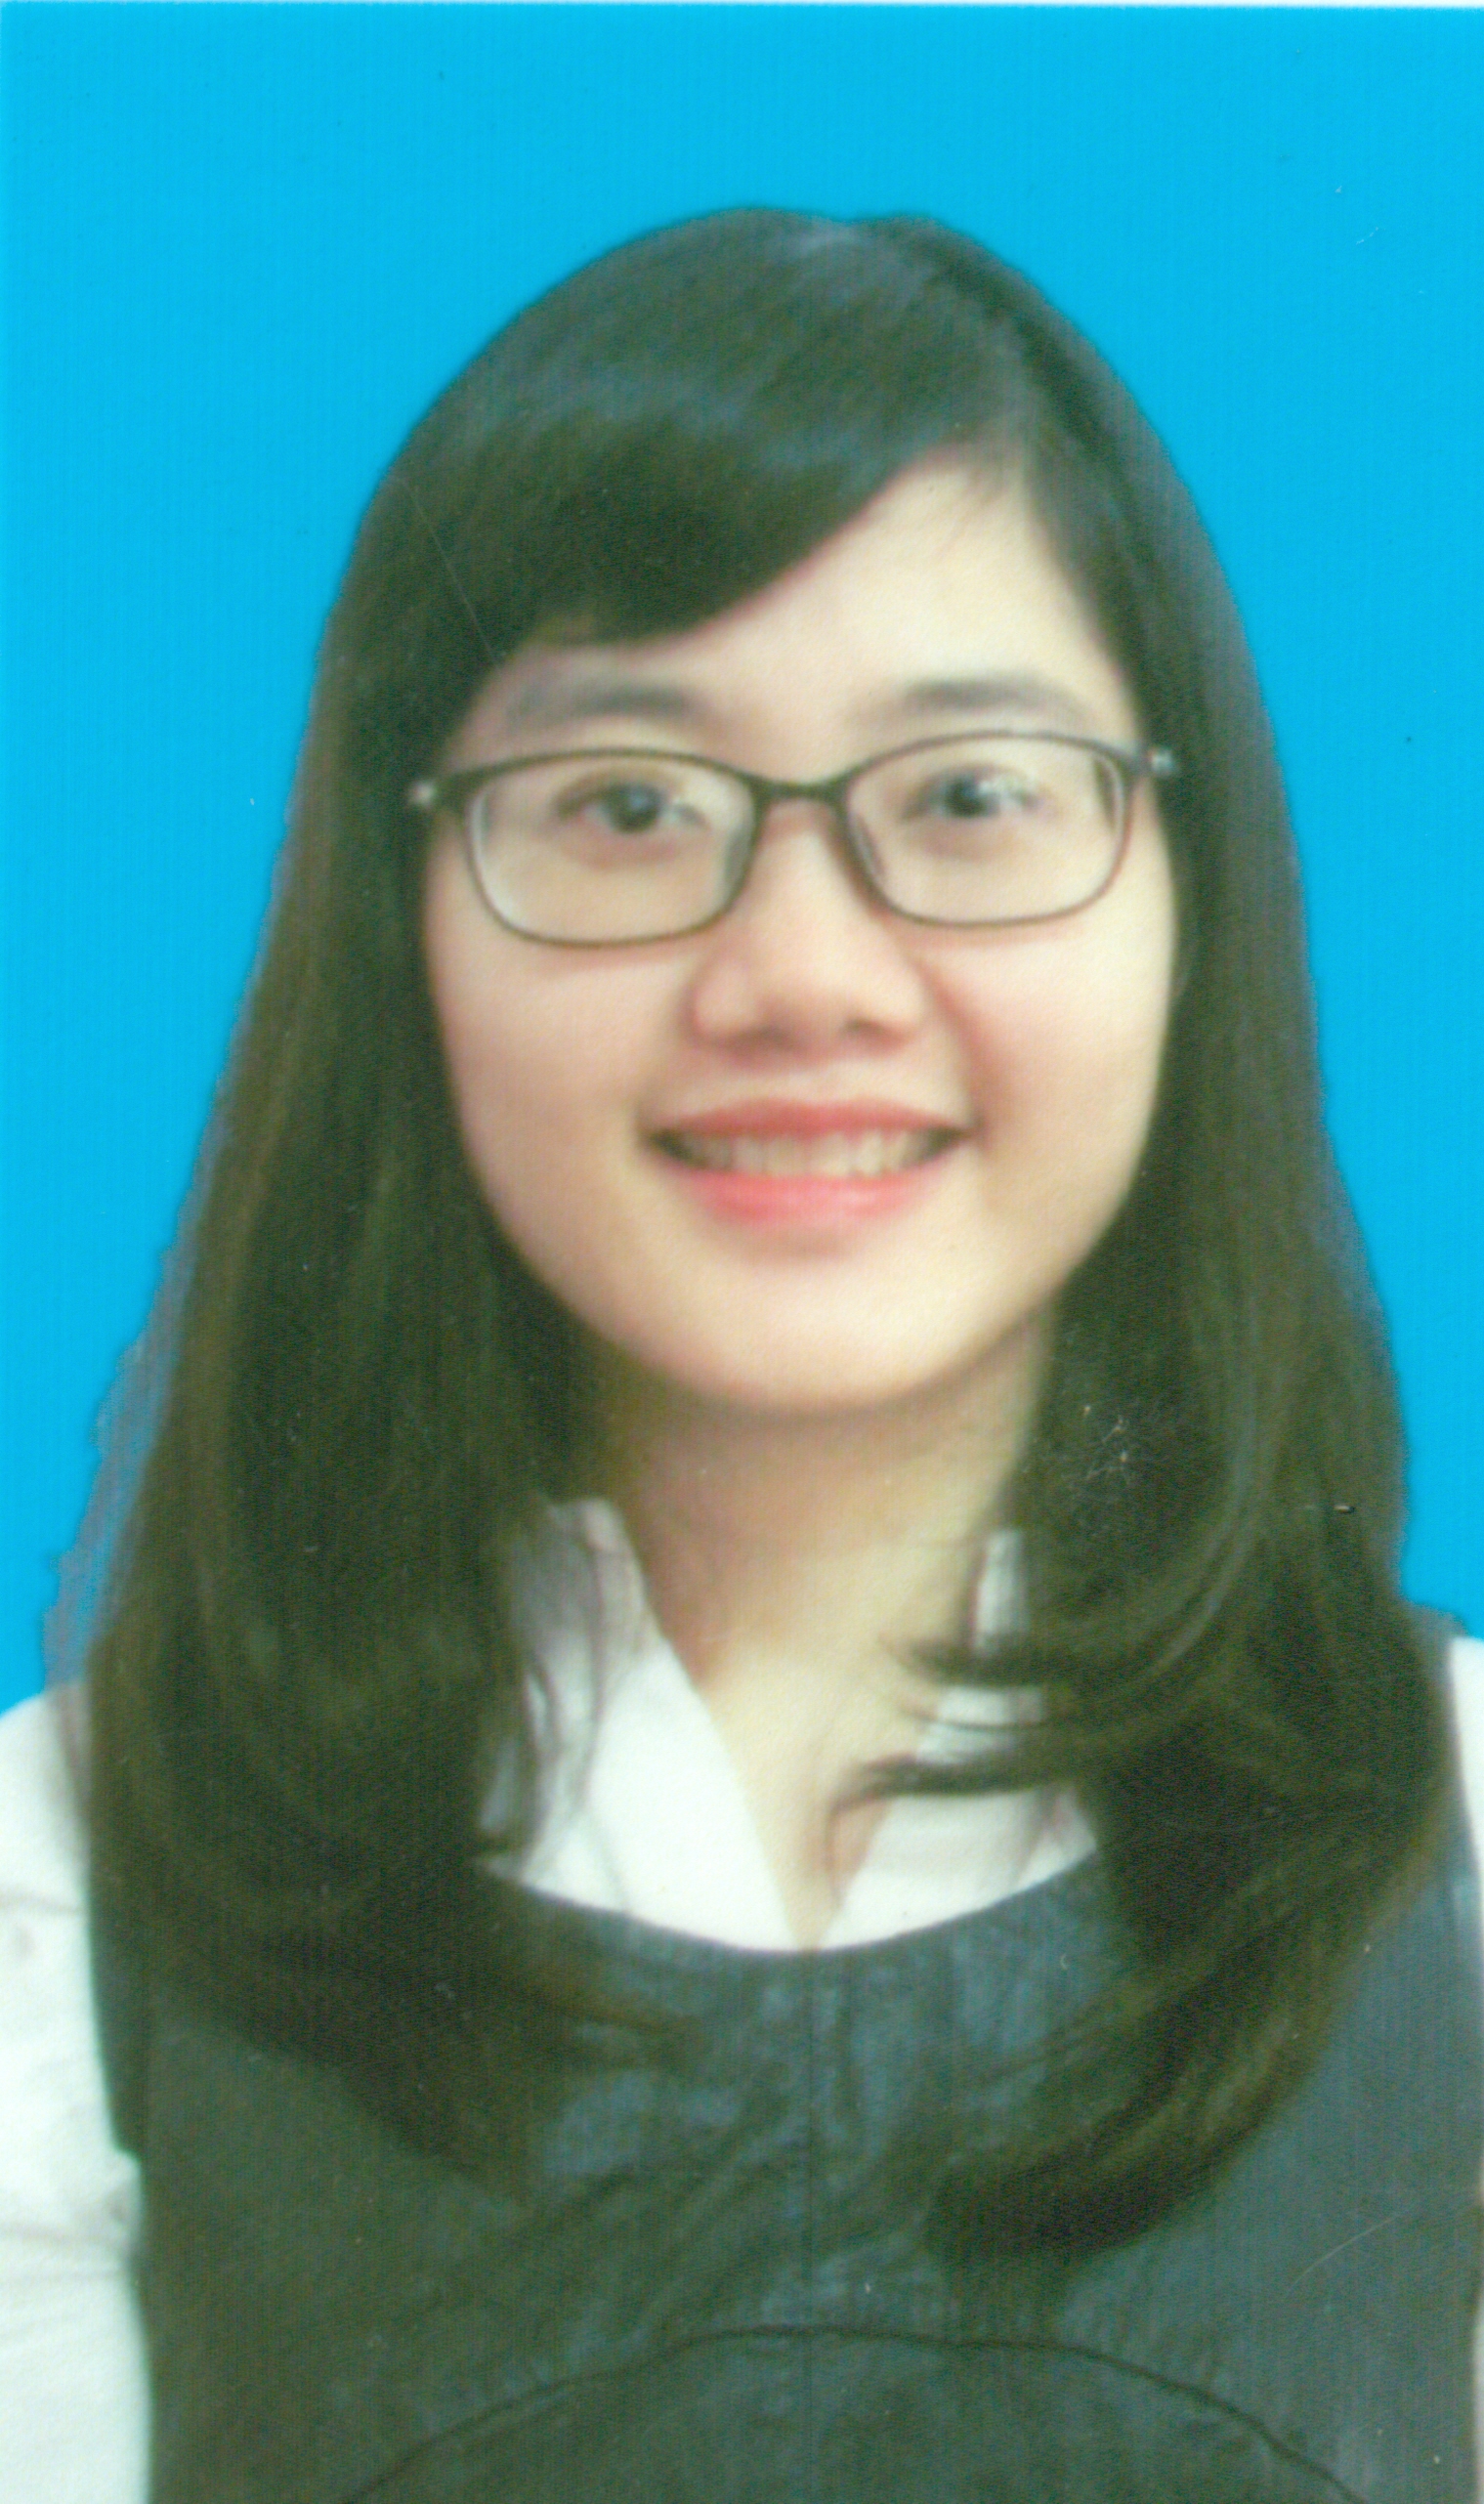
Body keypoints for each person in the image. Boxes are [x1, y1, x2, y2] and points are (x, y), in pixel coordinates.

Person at [1, 208, 1478, 2502]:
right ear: (403, 923)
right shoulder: (67, 1897)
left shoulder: (1454, 1833)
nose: (800, 974)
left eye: (966, 796)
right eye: (626, 805)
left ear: (1189, 893)